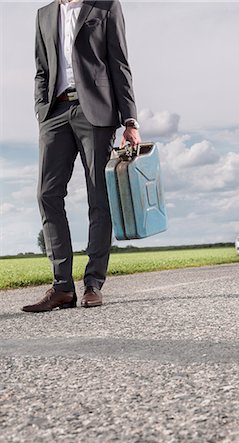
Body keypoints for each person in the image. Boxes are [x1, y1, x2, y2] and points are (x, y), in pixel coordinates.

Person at [22, 0, 141, 312]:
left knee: (98, 197)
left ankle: (93, 283)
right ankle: (61, 287)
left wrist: (130, 121)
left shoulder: (105, 6)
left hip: (96, 113)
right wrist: (41, 110)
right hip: (55, 112)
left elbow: (119, 63)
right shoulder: (43, 15)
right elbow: (41, 68)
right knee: (47, 194)